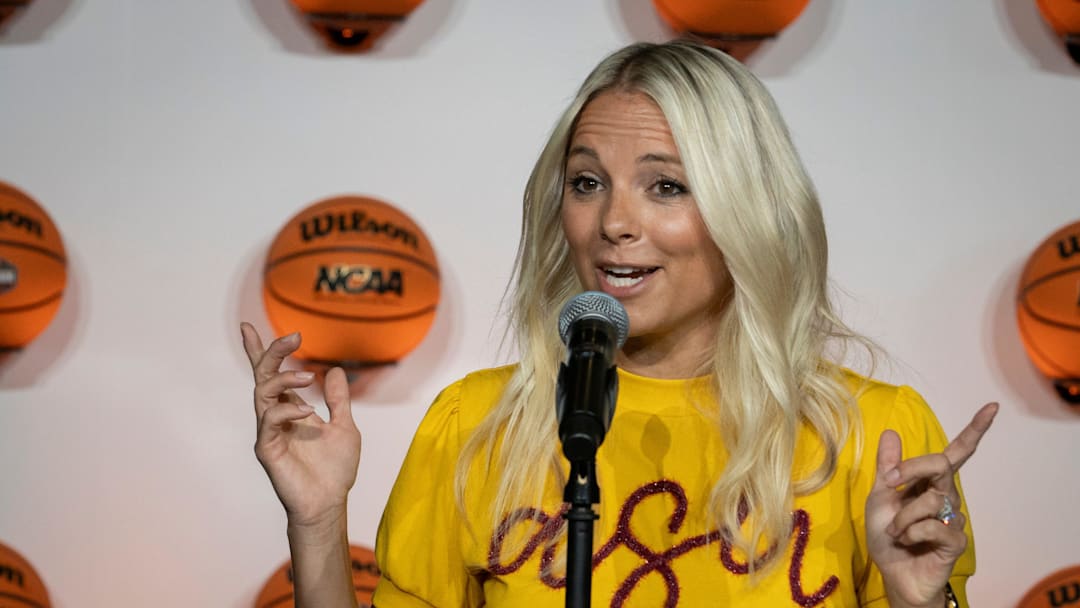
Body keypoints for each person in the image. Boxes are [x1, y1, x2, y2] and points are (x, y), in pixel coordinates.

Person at [242, 40, 997, 607]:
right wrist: (317, 521)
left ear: (748, 212)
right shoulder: (473, 425)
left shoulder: (875, 434)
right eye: (587, 182)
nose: (613, 222)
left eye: (665, 186)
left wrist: (918, 604)